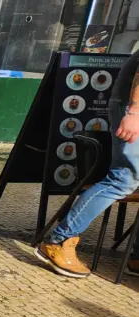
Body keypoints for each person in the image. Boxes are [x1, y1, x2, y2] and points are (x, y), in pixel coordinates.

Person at [38, 49, 139, 278]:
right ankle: (59, 240)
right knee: (123, 179)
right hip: (133, 107)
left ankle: (137, 255)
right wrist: (135, 111)